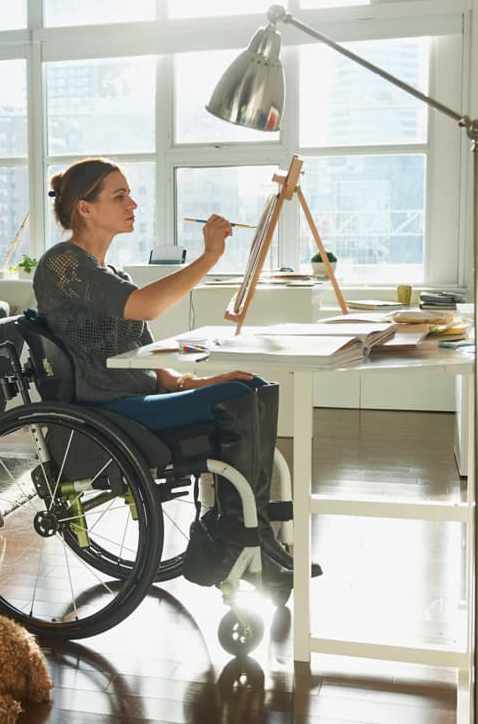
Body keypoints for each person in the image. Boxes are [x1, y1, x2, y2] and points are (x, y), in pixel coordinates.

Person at [33, 156, 317, 589]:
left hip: (139, 397)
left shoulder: (111, 272)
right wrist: (210, 256)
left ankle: (250, 535)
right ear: (85, 208)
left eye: (129, 193)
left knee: (248, 385)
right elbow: (145, 306)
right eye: (120, 195)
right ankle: (238, 537)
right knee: (244, 394)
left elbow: (145, 355)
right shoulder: (62, 264)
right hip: (109, 408)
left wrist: (196, 382)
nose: (133, 203)